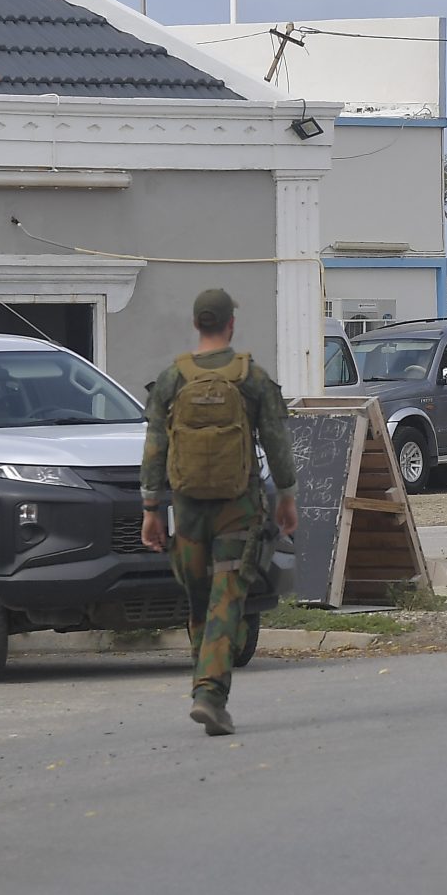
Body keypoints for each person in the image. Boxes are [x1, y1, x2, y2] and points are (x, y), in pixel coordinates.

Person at [138, 289, 299, 736]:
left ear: (197, 325)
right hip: (238, 507)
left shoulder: (173, 379)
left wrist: (151, 509)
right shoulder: (251, 379)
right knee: (226, 598)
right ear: (230, 325)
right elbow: (277, 444)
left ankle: (204, 684)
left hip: (187, 511)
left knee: (198, 599)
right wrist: (287, 498)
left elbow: (154, 448)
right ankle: (209, 693)